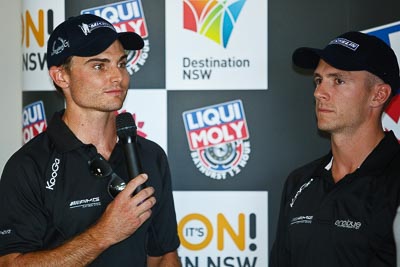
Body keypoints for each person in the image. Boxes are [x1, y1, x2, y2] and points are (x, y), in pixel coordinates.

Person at [0, 14, 181, 266]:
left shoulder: (150, 155)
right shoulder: (28, 165)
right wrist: (103, 234)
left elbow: (163, 256)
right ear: (61, 76)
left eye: (121, 63)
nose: (117, 77)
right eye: (99, 66)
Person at [270, 31, 400, 266]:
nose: (318, 92)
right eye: (319, 80)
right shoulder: (299, 182)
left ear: (378, 94)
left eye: (338, 80)